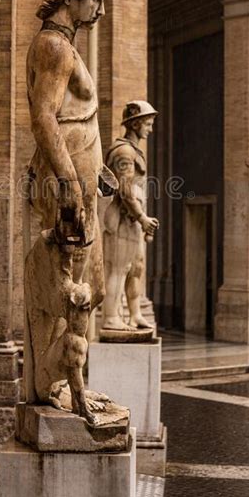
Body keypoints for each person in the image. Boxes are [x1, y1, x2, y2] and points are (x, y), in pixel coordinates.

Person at [24, 0, 111, 424]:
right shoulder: (55, 47)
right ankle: (54, 383)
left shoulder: (64, 46)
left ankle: (64, 378)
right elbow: (44, 118)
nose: (99, 5)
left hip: (78, 178)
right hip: (66, 184)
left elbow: (76, 119)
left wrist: (96, 177)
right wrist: (72, 185)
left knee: (85, 291)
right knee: (74, 293)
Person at [102, 101, 160, 331]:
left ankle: (134, 315)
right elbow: (125, 190)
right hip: (123, 218)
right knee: (118, 268)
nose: (150, 129)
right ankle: (110, 317)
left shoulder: (134, 150)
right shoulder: (124, 152)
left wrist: (141, 218)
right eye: (147, 124)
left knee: (136, 267)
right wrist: (143, 218)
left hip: (134, 219)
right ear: (135, 124)